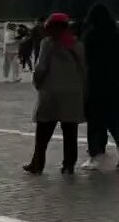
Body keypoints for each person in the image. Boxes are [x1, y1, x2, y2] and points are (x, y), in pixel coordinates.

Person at [23, 13, 86, 176]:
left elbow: (42, 67)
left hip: (51, 92)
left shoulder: (48, 43)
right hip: (72, 94)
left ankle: (37, 164)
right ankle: (68, 166)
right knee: (70, 132)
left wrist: (37, 83)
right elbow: (84, 70)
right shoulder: (77, 45)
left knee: (43, 133)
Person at [81, 4, 119, 170]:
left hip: (96, 83)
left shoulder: (91, 35)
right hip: (117, 83)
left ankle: (94, 156)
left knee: (95, 120)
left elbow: (85, 59)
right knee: (118, 117)